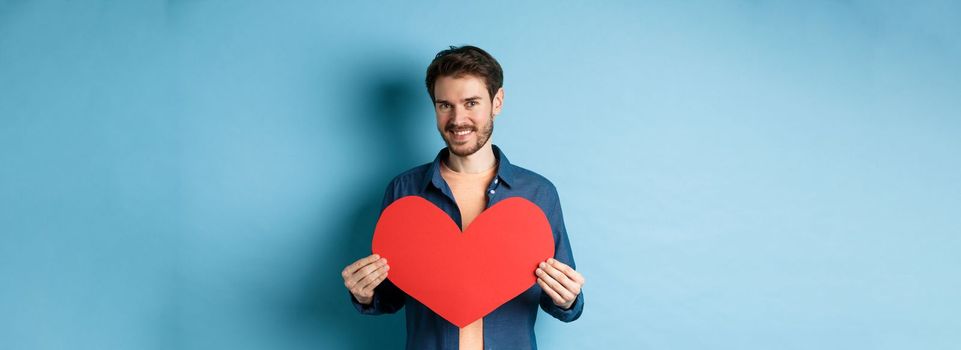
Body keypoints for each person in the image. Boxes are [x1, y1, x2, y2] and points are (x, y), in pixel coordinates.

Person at [340, 45, 585, 350]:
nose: (458, 119)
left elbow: (563, 302)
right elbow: (391, 295)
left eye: (471, 103)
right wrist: (365, 293)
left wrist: (568, 298)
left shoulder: (538, 194)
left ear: (497, 102)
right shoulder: (404, 191)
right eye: (445, 105)